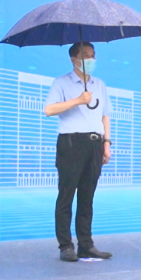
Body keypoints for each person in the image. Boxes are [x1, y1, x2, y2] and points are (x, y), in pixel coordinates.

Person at [44, 42, 113, 262]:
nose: (90, 60)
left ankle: (86, 244)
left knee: (87, 197)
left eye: (92, 55)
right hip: (71, 143)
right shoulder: (61, 83)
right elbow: (49, 109)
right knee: (66, 195)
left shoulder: (99, 84)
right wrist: (77, 100)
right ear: (73, 59)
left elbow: (105, 115)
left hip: (94, 143)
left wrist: (107, 143)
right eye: (85, 56)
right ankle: (66, 245)